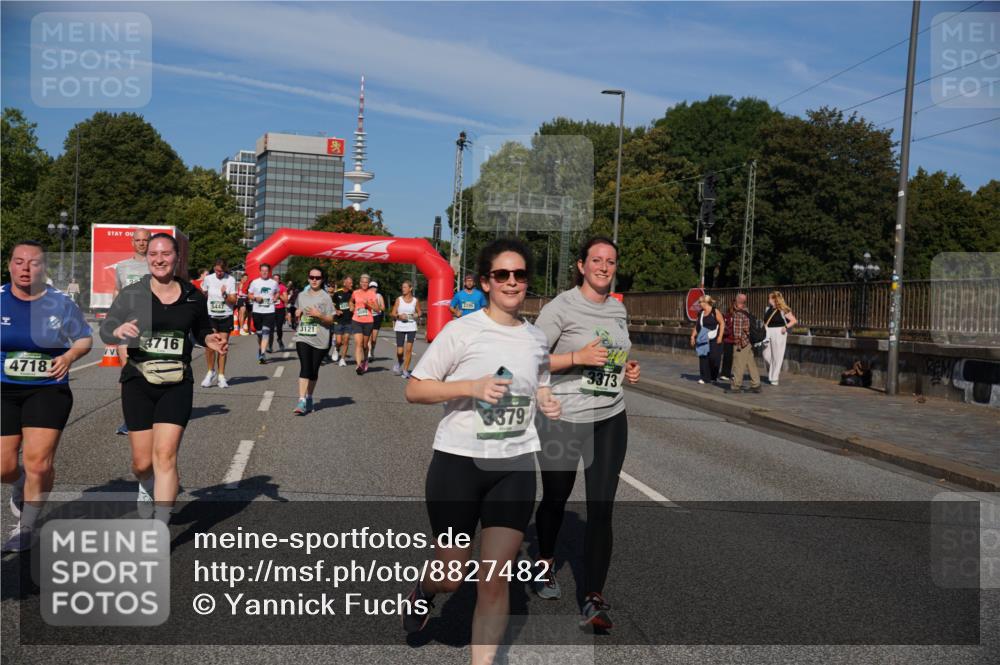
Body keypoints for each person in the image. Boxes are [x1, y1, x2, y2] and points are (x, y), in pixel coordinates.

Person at [401, 238, 561, 665]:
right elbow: (414, 389)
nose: (512, 282)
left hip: (514, 466)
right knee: (452, 577)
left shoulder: (535, 337)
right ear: (486, 282)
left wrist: (545, 400)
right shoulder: (462, 330)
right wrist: (471, 387)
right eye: (502, 275)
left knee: (495, 580)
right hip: (458, 462)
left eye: (520, 274)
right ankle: (424, 589)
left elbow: (538, 381)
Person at [531, 236, 641, 631]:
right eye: (596, 260)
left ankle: (593, 597)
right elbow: (532, 358)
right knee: (556, 497)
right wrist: (577, 357)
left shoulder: (617, 309)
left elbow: (616, 352)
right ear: (581, 265)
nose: (604, 267)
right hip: (563, 416)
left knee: (602, 507)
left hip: (610, 415)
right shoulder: (560, 307)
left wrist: (627, 368)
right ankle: (543, 562)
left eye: (610, 261)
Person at [100, 233, 228, 523]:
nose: (159, 259)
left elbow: (202, 329)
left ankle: (159, 525)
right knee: (142, 463)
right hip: (138, 380)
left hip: (177, 381)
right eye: (153, 254)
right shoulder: (133, 293)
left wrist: (211, 340)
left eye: (166, 254)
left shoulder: (193, 295)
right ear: (148, 258)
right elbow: (107, 328)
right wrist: (116, 332)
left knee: (166, 456)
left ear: (176, 258)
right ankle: (146, 485)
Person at [1, 241, 93, 551]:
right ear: (10, 265)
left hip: (47, 388)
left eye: (34, 263)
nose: (26, 268)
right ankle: (19, 484)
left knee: (39, 464)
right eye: (19, 261)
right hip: (4, 388)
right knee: (4, 467)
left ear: (44, 268)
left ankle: (26, 525)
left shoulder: (60, 303)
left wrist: (68, 358)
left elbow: (83, 339)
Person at [113, 227, 151, 436]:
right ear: (132, 242)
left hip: (150, 326)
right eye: (138, 240)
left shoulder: (156, 266)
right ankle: (129, 419)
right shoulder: (122, 267)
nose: (142, 243)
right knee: (127, 372)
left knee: (147, 370)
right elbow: (117, 291)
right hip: (127, 325)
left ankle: (149, 413)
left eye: (145, 240)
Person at [292, 268, 335, 415]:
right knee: (305, 367)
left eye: (318, 277)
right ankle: (301, 401)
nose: (314, 280)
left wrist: (320, 315)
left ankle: (309, 397)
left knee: (313, 370)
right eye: (312, 277)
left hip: (321, 338)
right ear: (308, 278)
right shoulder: (301, 295)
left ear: (322, 279)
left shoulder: (326, 297)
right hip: (303, 336)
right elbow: (297, 310)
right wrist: (297, 313)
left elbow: (330, 320)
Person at [200, 258, 237, 388]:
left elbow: (233, 300)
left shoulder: (230, 280)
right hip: (211, 315)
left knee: (222, 346)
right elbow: (204, 292)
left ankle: (221, 376)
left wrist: (225, 294)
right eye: (216, 270)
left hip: (225, 315)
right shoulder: (209, 278)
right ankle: (210, 372)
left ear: (225, 269)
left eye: (221, 271)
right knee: (210, 346)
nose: (218, 273)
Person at [727, 293, 762, 394]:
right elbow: (747, 329)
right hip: (748, 342)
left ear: (736, 302)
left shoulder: (738, 314)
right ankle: (756, 384)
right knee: (750, 364)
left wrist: (737, 345)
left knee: (738, 364)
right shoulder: (747, 312)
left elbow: (737, 332)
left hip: (741, 343)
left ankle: (736, 386)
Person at [761, 291, 798, 386]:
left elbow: (794, 320)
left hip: (779, 332)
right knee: (766, 354)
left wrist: (785, 327)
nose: (768, 299)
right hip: (768, 332)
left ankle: (774, 377)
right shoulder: (768, 309)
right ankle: (773, 370)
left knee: (777, 355)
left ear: (774, 299)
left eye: (770, 298)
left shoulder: (783, 309)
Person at [248, 263, 279, 364]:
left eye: (266, 271)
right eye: (263, 270)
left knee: (266, 332)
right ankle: (261, 348)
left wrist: (275, 297)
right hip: (257, 311)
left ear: (269, 272)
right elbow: (249, 294)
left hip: (269, 311)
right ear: (260, 271)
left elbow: (277, 292)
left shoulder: (273, 283)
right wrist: (255, 298)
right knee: (260, 334)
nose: (265, 272)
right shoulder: (255, 282)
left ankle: (262, 353)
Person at [350, 274, 381, 375]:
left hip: (368, 322)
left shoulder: (372, 294)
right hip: (356, 320)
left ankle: (366, 359)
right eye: (362, 282)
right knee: (358, 343)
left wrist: (369, 305)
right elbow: (351, 301)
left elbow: (377, 309)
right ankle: (359, 365)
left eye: (366, 282)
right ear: (360, 283)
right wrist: (351, 306)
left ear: (368, 283)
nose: (364, 284)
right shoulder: (355, 292)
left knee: (364, 345)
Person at [689, 295, 724, 385]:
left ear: (705, 302)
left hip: (714, 337)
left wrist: (720, 336)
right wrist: (693, 336)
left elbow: (722, 323)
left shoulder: (714, 311)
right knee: (703, 357)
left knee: (714, 358)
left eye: (700, 302)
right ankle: (704, 377)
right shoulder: (700, 313)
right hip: (703, 338)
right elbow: (697, 326)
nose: (699, 304)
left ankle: (713, 376)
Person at [390, 280, 421, 378]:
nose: (403, 289)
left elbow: (420, 312)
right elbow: (392, 313)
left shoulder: (415, 301)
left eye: (405, 287)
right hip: (400, 327)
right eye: (402, 287)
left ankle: (405, 370)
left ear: (410, 288)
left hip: (411, 326)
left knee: (409, 350)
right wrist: (399, 316)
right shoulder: (399, 299)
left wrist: (416, 314)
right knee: (400, 352)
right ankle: (400, 361)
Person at [331, 276, 354, 365]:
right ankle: (336, 349)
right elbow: (332, 305)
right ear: (345, 283)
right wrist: (336, 311)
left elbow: (355, 305)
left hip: (349, 320)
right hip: (338, 320)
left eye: (352, 283)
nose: (351, 284)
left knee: (346, 340)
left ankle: (342, 359)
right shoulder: (337, 293)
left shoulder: (353, 294)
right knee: (339, 341)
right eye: (350, 283)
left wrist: (353, 308)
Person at [368, 280, 386, 362]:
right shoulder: (366, 295)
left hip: (376, 318)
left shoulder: (379, 296)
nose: (373, 288)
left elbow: (383, 308)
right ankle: (368, 353)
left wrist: (376, 305)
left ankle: (372, 351)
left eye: (374, 287)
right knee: (368, 337)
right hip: (368, 317)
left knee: (374, 339)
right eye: (371, 287)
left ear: (376, 288)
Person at [271, 272, 288, 352]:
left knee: (279, 328)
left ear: (279, 280)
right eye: (274, 279)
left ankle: (279, 340)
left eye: (277, 279)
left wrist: (279, 295)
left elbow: (286, 300)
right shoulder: (269, 286)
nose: (276, 280)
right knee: (270, 328)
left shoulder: (282, 287)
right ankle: (270, 345)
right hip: (270, 309)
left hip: (280, 309)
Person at [719, 300, 736, 382]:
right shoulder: (727, 316)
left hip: (736, 339)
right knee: (727, 357)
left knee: (737, 358)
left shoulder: (741, 314)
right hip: (728, 339)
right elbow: (725, 327)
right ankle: (725, 373)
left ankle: (735, 374)